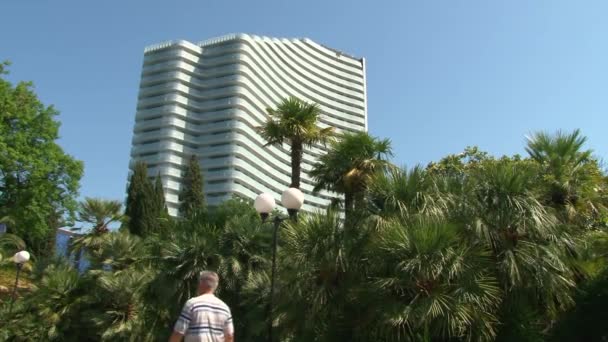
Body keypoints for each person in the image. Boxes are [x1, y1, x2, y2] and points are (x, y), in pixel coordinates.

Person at [169, 271, 234, 342]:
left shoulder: (192, 304)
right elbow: (229, 335)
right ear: (215, 286)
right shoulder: (225, 308)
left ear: (201, 283)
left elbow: (179, 332)